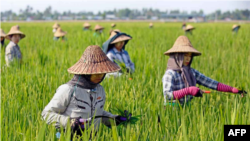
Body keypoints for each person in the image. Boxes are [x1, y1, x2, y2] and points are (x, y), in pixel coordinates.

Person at [42, 45, 130, 139]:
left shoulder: (99, 90)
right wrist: (70, 122)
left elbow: (98, 114)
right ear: (86, 72)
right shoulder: (68, 90)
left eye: (102, 72)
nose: (100, 75)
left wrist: (115, 119)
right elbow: (46, 114)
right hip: (68, 137)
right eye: (95, 72)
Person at [162, 36, 245, 107]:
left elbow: (211, 83)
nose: (188, 59)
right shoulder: (170, 74)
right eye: (185, 55)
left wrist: (232, 89)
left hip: (186, 109)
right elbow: (167, 96)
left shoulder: (191, 72)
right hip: (171, 110)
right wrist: (188, 90)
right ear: (177, 56)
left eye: (190, 56)